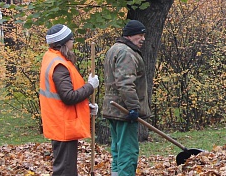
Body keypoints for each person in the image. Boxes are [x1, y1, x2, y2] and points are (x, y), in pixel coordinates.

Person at [39, 24, 99, 175]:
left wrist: (86, 107)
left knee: (66, 168)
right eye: (71, 39)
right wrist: (91, 86)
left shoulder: (52, 58)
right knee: (65, 171)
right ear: (64, 42)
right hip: (63, 125)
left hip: (60, 122)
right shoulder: (59, 65)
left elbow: (63, 96)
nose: (73, 42)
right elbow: (68, 97)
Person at [100, 20, 151, 176]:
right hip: (124, 110)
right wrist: (133, 107)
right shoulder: (127, 53)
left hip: (113, 107)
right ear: (129, 35)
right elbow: (125, 83)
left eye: (144, 35)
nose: (142, 39)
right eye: (139, 35)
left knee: (117, 149)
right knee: (128, 151)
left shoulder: (114, 49)